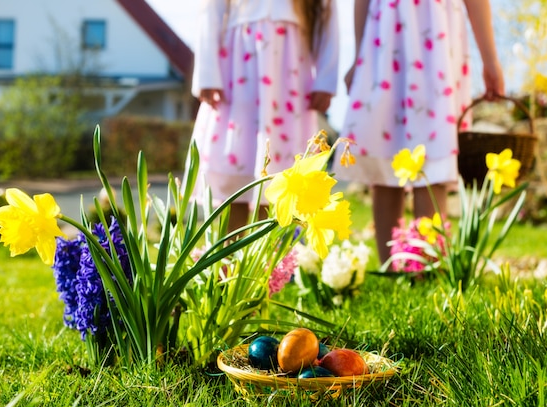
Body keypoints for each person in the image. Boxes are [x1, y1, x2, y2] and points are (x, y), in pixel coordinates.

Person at [333, 0, 505, 265]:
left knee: (433, 151)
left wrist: (490, 58)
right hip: (385, 35)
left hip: (435, 33)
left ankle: (425, 266)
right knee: (384, 144)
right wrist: (358, 56)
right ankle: (391, 269)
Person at [186, 0, 339, 233]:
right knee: (235, 176)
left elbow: (327, 14)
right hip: (238, 68)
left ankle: (271, 265)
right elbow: (211, 8)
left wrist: (326, 78)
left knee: (281, 180)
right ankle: (231, 261)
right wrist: (207, 74)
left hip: (290, 71)